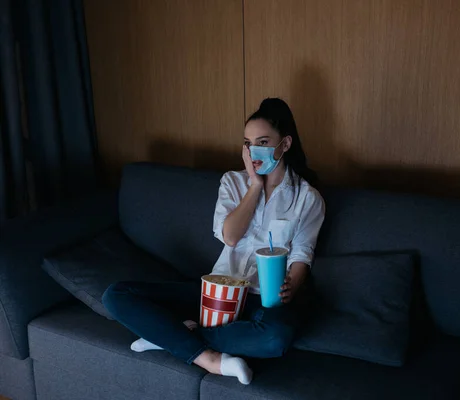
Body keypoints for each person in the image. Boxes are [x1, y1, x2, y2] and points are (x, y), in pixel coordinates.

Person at [102, 98, 325, 385]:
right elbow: (230, 235)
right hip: (219, 289)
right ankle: (211, 359)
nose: (253, 150)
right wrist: (256, 185)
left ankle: (172, 338)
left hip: (263, 298)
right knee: (117, 295)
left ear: (285, 144)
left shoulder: (307, 198)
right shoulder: (233, 183)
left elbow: (302, 255)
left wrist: (290, 287)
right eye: (247, 143)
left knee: (274, 339)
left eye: (263, 141)